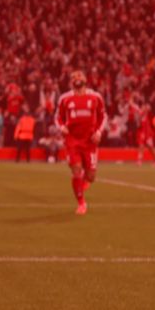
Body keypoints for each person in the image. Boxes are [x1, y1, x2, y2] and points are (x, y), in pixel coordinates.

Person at [55, 70, 106, 215]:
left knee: (91, 176)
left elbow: (104, 116)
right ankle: (81, 203)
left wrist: (99, 132)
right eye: (73, 77)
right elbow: (57, 117)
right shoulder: (64, 98)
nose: (77, 78)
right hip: (72, 140)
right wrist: (62, 127)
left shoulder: (95, 96)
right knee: (76, 170)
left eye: (80, 75)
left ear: (85, 79)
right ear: (70, 82)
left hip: (90, 141)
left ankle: (80, 185)